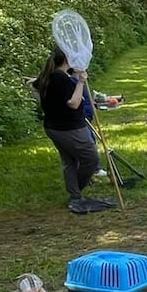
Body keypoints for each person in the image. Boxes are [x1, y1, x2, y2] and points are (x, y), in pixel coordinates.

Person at [34, 49, 100, 213]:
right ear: (67, 60)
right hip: (70, 128)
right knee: (90, 159)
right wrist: (81, 82)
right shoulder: (60, 79)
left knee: (70, 161)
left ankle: (75, 195)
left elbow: (34, 87)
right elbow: (74, 103)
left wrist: (45, 106)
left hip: (53, 127)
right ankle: (75, 192)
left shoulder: (47, 76)